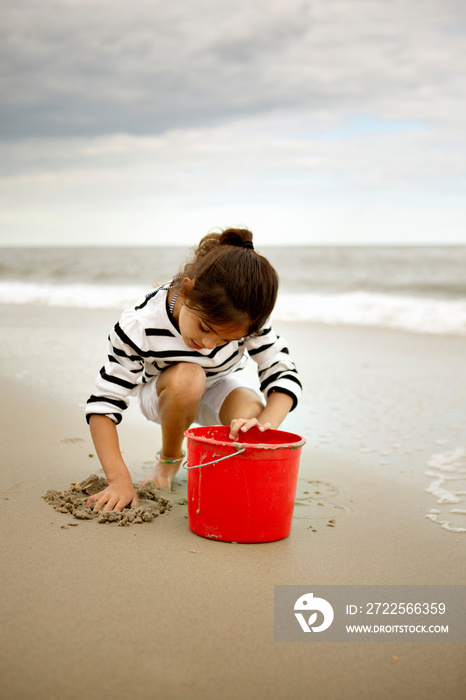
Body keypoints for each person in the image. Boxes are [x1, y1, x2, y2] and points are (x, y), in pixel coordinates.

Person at [85, 228, 302, 512]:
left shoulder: (246, 319)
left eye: (226, 340)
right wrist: (118, 480)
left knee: (251, 412)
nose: (209, 345)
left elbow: (282, 372)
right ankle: (170, 460)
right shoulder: (140, 326)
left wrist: (265, 426)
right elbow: (103, 405)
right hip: (165, 393)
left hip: (217, 386)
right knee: (189, 375)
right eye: (205, 328)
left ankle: (219, 462)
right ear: (187, 291)